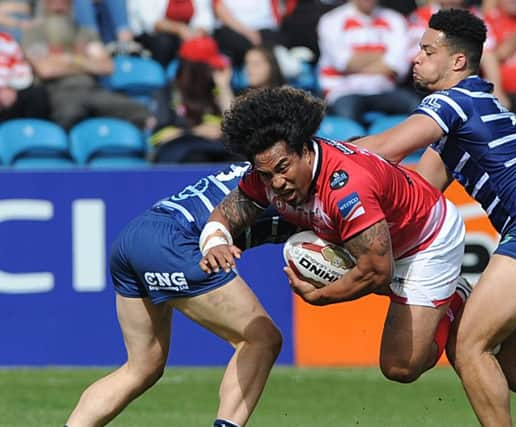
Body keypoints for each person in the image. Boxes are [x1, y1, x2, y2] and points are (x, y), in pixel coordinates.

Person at [357, 9, 516, 427]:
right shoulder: (469, 111)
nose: (416, 58)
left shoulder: (454, 100)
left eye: (427, 50)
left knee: (468, 346)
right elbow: (417, 197)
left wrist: (314, 156)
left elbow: (385, 148)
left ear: (458, 61)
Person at [198, 86, 471, 386]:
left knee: (401, 368)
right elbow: (226, 213)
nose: (277, 182)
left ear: (304, 148)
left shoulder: (346, 187)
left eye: (283, 168)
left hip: (426, 240)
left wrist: (320, 297)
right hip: (376, 238)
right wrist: (215, 241)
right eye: (266, 174)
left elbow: (378, 273)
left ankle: (455, 298)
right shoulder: (265, 176)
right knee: (299, 248)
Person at [64, 162, 296, 427]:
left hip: (137, 235)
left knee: (141, 367)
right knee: (261, 339)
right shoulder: (308, 179)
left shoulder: (279, 162)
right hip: (175, 241)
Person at [20, 0, 150, 130]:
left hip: (93, 90)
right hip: (58, 92)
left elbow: (107, 67)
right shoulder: (34, 33)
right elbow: (46, 70)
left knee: (142, 111)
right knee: (70, 115)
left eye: (64, 1)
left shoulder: (85, 32)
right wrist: (86, 61)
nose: (59, 4)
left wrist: (70, 60)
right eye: (52, 1)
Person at [316, 0, 419, 125]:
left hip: (384, 89)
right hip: (343, 91)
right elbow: (343, 62)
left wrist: (357, 63)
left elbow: (398, 65)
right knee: (348, 117)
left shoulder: (395, 19)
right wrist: (382, 56)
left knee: (419, 109)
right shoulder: (331, 20)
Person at [150, 35, 240, 163]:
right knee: (197, 158)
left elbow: (237, 128)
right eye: (211, 67)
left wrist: (224, 87)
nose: (215, 71)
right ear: (196, 69)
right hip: (181, 152)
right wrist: (195, 132)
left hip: (216, 149)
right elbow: (158, 137)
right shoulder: (167, 93)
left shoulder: (217, 90)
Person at [0, 30, 49, 121]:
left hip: (12, 87)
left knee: (37, 94)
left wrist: (11, 87)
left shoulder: (6, 40)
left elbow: (20, 66)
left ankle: (33, 131)